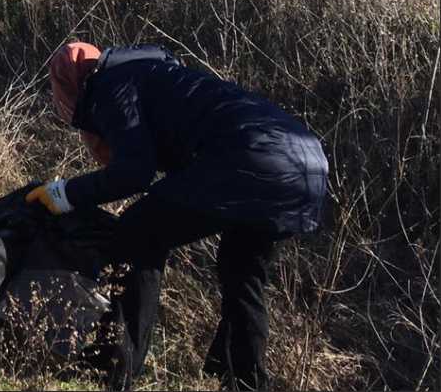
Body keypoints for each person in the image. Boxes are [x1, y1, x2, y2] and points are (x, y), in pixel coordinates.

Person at [27, 42, 328, 391]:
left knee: (139, 233)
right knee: (242, 271)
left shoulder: (110, 85)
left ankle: (112, 370)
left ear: (73, 84)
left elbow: (133, 173)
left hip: (256, 156)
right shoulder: (160, 75)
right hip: (307, 164)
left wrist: (63, 194)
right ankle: (244, 381)